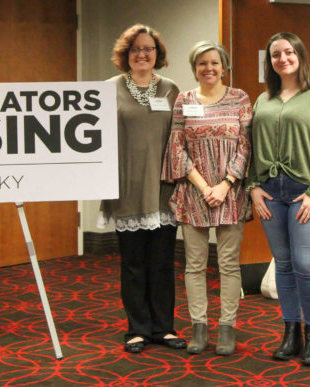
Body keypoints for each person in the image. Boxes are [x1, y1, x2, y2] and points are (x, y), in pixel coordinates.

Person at [246, 32, 310, 366]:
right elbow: (251, 146)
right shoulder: (263, 99)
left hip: (308, 193)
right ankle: (291, 333)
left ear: (299, 55)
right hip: (271, 194)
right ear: (269, 62)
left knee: (306, 262)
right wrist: (253, 186)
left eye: (288, 52)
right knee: (284, 264)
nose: (282, 59)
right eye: (275, 55)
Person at [98, 23, 185, 354]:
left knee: (163, 263)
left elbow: (181, 138)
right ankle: (137, 328)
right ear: (126, 55)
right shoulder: (108, 89)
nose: (143, 54)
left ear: (157, 54)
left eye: (149, 49)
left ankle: (163, 327)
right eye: (136, 49)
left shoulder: (172, 89)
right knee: (132, 264)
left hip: (163, 189)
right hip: (126, 188)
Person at [162, 41, 251, 356]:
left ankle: (227, 327)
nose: (209, 69)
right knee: (194, 264)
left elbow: (245, 147)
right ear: (194, 68)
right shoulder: (184, 100)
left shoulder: (240, 98)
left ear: (223, 66)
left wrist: (225, 184)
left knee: (228, 264)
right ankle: (199, 327)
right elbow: (177, 148)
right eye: (202, 64)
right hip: (194, 192)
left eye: (214, 63)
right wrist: (203, 187)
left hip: (230, 193)